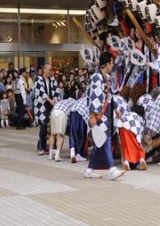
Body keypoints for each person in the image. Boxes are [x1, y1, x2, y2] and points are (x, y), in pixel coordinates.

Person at [85, 52, 126, 180]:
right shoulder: (97, 77)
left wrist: (116, 109)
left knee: (100, 143)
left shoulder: (105, 77)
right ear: (107, 63)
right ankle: (112, 169)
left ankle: (89, 170)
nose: (112, 65)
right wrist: (92, 116)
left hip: (106, 113)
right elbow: (94, 97)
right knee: (105, 140)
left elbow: (110, 96)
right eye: (111, 63)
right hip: (99, 114)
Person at [34, 64, 59, 155]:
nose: (50, 72)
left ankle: (54, 146)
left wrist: (55, 101)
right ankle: (41, 147)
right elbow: (40, 92)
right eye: (49, 70)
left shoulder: (53, 80)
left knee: (54, 125)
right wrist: (50, 100)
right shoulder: (38, 79)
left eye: (51, 70)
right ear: (44, 70)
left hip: (52, 104)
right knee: (43, 125)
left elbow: (56, 91)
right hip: (42, 105)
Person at [48, 97, 77, 161]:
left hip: (53, 111)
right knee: (60, 135)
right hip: (62, 113)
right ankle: (57, 156)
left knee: (52, 134)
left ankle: (50, 155)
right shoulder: (75, 103)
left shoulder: (64, 100)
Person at [69, 94, 89, 163]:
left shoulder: (81, 98)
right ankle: (79, 154)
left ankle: (72, 149)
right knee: (81, 133)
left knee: (73, 132)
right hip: (82, 113)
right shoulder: (91, 98)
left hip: (73, 110)